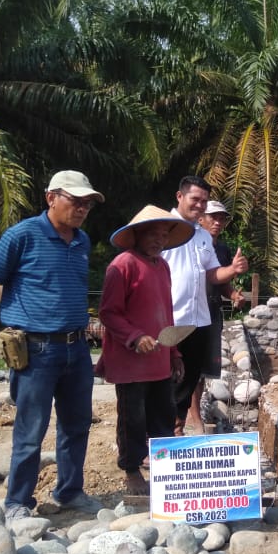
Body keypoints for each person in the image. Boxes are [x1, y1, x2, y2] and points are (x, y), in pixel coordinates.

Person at [0, 170, 106, 522]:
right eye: (75, 201)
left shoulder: (82, 242)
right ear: (51, 198)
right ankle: (18, 502)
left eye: (87, 204)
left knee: (76, 424)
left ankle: (69, 491)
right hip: (35, 350)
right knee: (31, 430)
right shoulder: (23, 235)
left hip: (76, 348)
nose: (82, 209)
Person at [97, 205, 194, 495]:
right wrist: (135, 336)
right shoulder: (122, 265)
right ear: (137, 234)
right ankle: (130, 469)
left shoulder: (162, 266)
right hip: (130, 362)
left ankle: (165, 472)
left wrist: (174, 353)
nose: (159, 240)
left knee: (163, 415)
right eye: (153, 234)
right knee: (132, 418)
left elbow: (167, 314)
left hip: (159, 358)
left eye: (164, 235)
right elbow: (108, 313)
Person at [161, 176, 248, 436]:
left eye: (204, 201)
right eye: (194, 199)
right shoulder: (161, 227)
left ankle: (176, 430)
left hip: (199, 321)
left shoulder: (202, 236)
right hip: (170, 319)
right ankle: (153, 437)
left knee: (188, 380)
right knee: (162, 380)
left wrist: (232, 270)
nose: (199, 205)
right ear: (180, 197)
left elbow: (212, 275)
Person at [189, 200, 247, 425]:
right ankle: (191, 418)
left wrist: (233, 295)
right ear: (200, 218)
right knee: (189, 367)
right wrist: (233, 269)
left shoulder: (221, 249)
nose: (218, 222)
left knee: (203, 368)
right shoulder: (188, 244)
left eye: (222, 218)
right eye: (213, 217)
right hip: (191, 313)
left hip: (212, 311)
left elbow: (219, 280)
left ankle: (194, 415)